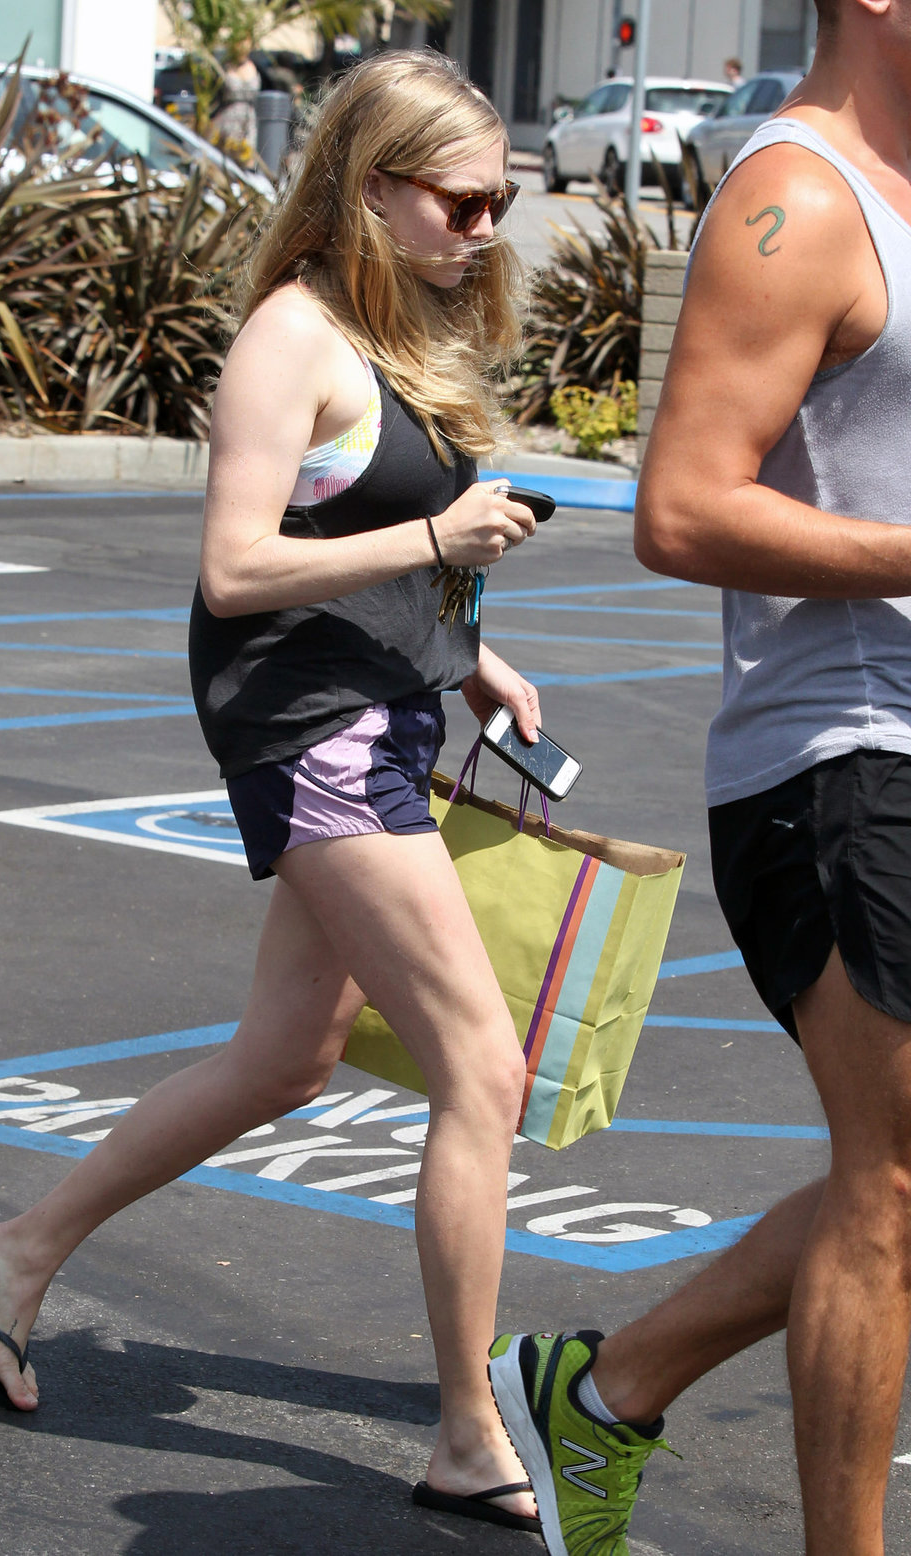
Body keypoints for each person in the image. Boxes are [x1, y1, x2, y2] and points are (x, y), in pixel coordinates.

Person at [0, 50, 551, 1534]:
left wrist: (470, 661)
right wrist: (439, 544)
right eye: (460, 199)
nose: (483, 227)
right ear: (371, 186)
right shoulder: (291, 339)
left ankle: (16, 1254)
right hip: (307, 735)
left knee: (287, 1057)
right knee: (485, 1071)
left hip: (380, 714)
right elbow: (238, 568)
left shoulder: (392, 332)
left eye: (500, 202)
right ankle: (466, 1435)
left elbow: (386, 530)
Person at [488, 2, 911, 1553]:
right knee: (894, 1189)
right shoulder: (791, 202)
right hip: (844, 758)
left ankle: (604, 1391)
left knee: (906, 1176)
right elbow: (677, 508)